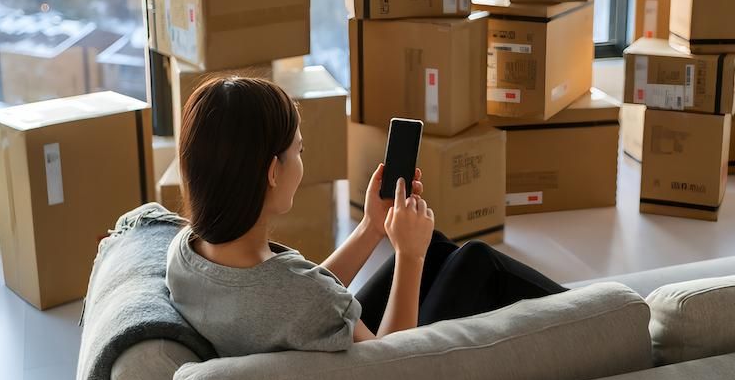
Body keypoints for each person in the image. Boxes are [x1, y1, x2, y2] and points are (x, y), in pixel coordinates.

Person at [165, 75, 565, 357]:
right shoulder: (302, 297)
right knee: (477, 262)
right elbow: (390, 366)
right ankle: (598, 316)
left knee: (439, 249)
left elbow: (292, 297)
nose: (302, 163)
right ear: (272, 172)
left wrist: (372, 227)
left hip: (300, 340)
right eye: (299, 151)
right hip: (382, 372)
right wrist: (408, 256)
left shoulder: (186, 252)